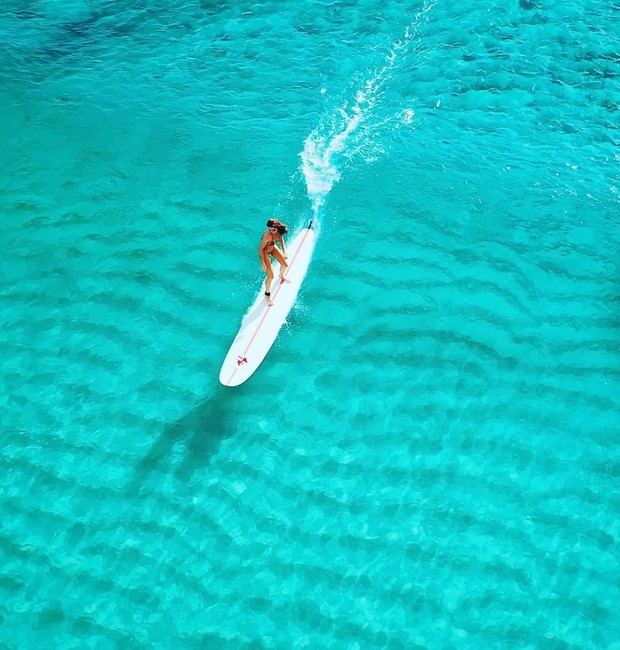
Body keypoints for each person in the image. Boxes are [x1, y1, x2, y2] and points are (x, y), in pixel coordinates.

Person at [258, 218, 289, 306]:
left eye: (273, 229)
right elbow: (260, 249)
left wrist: (284, 251)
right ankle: (267, 295)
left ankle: (281, 275)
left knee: (285, 265)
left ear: (277, 227)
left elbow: (281, 239)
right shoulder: (267, 236)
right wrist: (263, 262)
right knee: (271, 276)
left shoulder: (279, 232)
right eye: (270, 229)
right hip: (265, 252)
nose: (271, 231)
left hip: (272, 247)